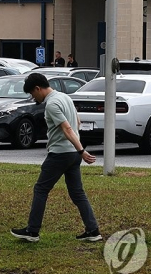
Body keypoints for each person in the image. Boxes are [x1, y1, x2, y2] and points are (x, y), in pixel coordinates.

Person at [11, 73, 101, 243]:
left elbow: (67, 128)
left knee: (40, 190)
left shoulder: (52, 104)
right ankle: (93, 230)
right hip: (72, 154)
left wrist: (81, 151)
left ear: (38, 88)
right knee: (77, 193)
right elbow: (78, 122)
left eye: (32, 93)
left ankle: (32, 231)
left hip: (60, 154)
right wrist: (78, 150)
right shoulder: (65, 97)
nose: (33, 97)